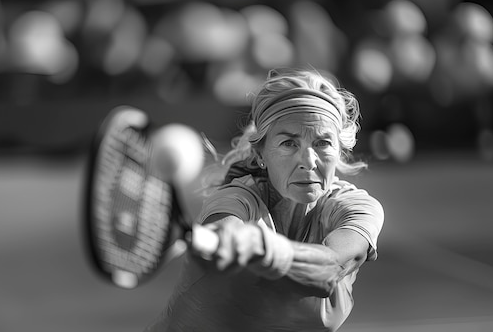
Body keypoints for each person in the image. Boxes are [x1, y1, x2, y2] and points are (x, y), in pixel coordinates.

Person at [145, 68, 384, 332]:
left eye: (323, 143)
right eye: (289, 143)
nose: (308, 162)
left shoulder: (357, 209)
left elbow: (332, 265)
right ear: (261, 153)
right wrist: (232, 235)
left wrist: (265, 249)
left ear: (339, 150)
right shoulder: (237, 199)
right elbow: (227, 224)